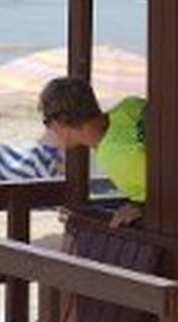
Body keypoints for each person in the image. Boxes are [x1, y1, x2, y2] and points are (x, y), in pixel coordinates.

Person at [38, 76, 146, 228]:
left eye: (47, 122)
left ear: (62, 119)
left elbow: (174, 197)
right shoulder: (130, 105)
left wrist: (141, 209)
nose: (48, 129)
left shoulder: (114, 157)